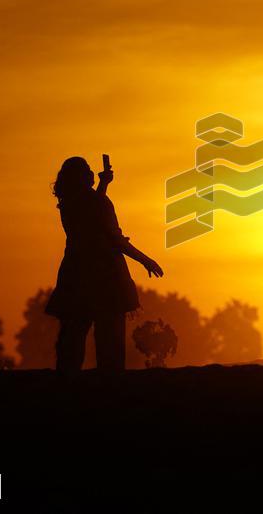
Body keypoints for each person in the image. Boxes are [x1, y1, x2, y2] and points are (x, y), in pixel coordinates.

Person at [45, 156, 164, 373]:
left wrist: (103, 185)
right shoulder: (97, 203)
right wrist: (145, 260)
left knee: (72, 341)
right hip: (106, 279)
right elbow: (113, 237)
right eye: (87, 170)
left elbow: (90, 215)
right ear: (84, 177)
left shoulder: (68, 204)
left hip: (75, 276)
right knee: (110, 343)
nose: (92, 173)